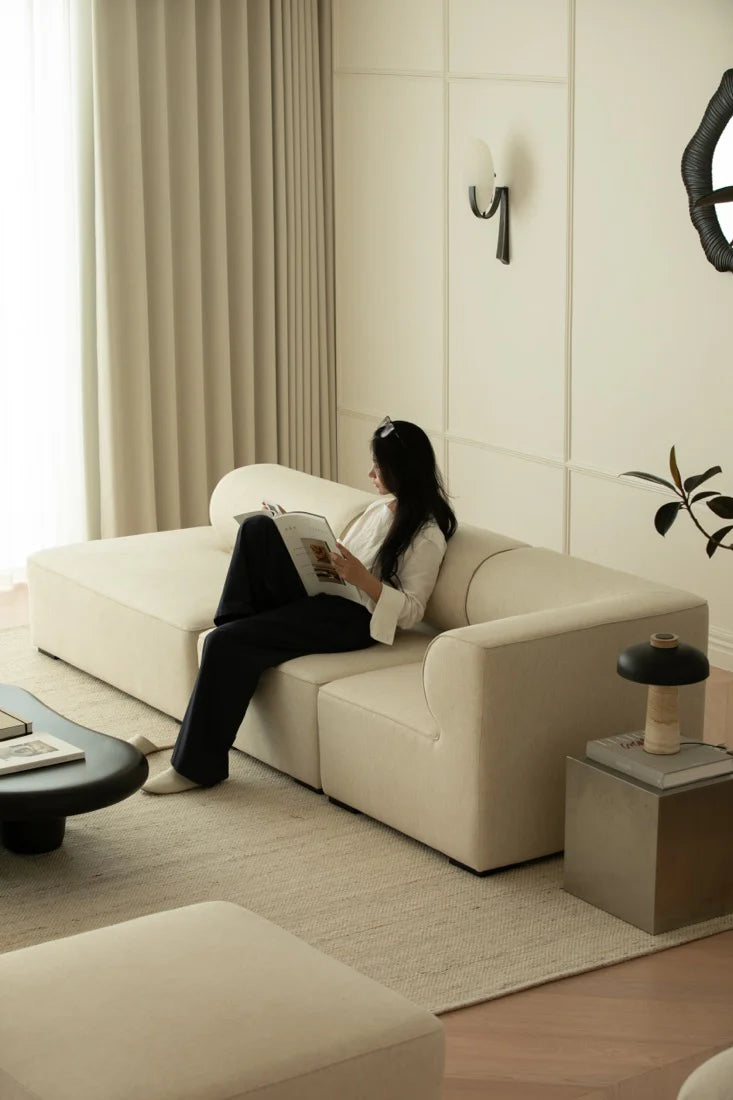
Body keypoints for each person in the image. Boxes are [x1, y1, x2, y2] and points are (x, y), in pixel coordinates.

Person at [142, 416, 457, 795]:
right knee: (258, 530)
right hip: (327, 595)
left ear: (400, 471)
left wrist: (363, 579)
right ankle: (235, 636)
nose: (370, 473)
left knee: (221, 643)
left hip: (354, 620)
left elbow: (412, 610)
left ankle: (196, 769)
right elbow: (342, 555)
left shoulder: (426, 535)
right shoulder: (380, 510)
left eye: (378, 466)